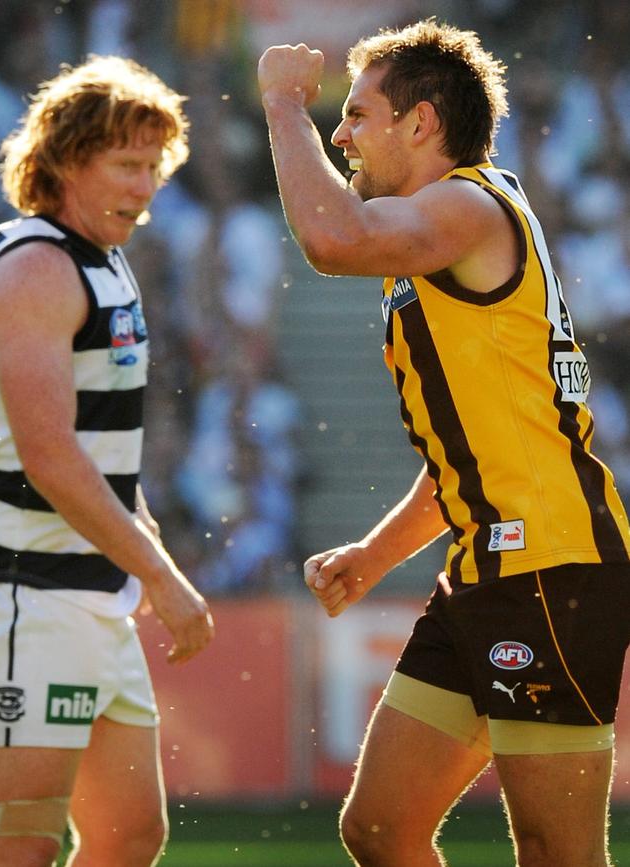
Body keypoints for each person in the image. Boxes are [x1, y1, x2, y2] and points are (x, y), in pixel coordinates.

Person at [258, 19, 630, 867]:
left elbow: (331, 238)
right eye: (334, 116)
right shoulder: (439, 233)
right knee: (380, 827)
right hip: (486, 566)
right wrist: (374, 552)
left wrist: (284, 104)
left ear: (420, 122)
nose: (341, 134)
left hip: (553, 564)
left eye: (355, 115)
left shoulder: (465, 204)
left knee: (557, 851)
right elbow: (469, 453)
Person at [0, 55, 214, 867]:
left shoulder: (103, 260)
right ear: (65, 160)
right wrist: (161, 572)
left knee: (128, 835)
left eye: (154, 166)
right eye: (126, 164)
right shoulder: (37, 268)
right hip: (24, 595)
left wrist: (136, 551)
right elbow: (49, 455)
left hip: (89, 599)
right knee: (17, 843)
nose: (147, 186)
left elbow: (103, 450)